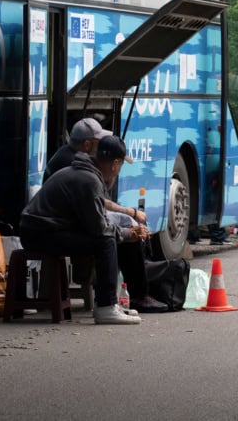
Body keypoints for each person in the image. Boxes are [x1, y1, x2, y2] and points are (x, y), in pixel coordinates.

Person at [43, 119, 166, 312]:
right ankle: (110, 304)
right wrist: (128, 226)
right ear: (87, 144)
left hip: (62, 222)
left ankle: (126, 297)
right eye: (97, 142)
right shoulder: (77, 167)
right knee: (111, 236)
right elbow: (98, 218)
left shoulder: (78, 162)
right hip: (52, 229)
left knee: (119, 230)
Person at [19, 135, 145, 325]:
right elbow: (100, 230)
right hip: (39, 234)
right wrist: (129, 234)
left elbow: (95, 220)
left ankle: (109, 302)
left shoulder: (83, 173)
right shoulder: (88, 181)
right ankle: (105, 307)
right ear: (115, 164)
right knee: (106, 241)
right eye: (120, 166)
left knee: (110, 236)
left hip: (42, 229)